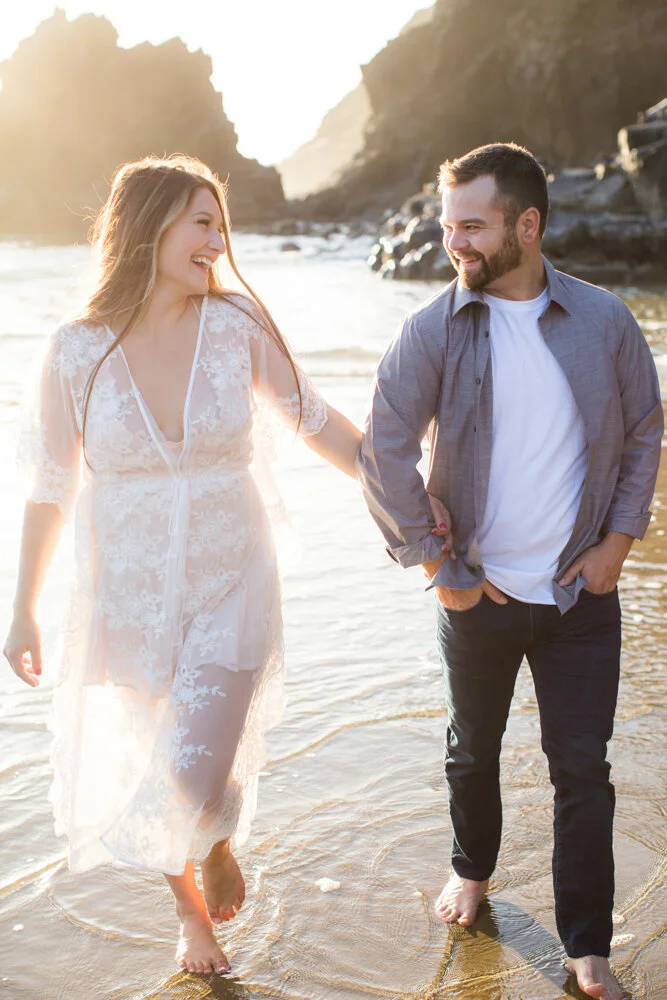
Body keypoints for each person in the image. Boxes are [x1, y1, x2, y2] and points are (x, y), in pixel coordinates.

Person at [2, 154, 364, 977]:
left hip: (232, 574)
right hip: (128, 590)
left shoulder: (236, 324)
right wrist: (22, 607)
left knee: (192, 778)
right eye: (203, 222)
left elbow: (314, 420)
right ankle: (191, 912)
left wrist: (401, 490)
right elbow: (51, 488)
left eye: (220, 226)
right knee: (158, 757)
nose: (217, 242)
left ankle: (215, 835)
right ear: (149, 226)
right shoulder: (74, 350)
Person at [357, 142, 663, 1000]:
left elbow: (644, 429)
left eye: (471, 226)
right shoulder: (431, 330)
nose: (452, 242)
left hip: (578, 596)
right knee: (471, 753)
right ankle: (472, 870)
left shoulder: (603, 320)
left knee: (582, 773)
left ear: (526, 225)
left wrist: (617, 542)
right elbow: (381, 449)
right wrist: (436, 562)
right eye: (446, 224)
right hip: (476, 593)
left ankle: (586, 947)